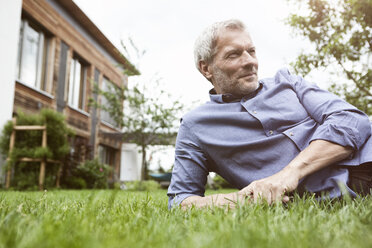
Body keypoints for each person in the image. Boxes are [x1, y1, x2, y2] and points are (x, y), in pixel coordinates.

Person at [167, 19, 372, 209]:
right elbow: (180, 200)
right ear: (206, 68)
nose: (250, 62)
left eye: (251, 51)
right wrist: (240, 200)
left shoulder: (288, 82)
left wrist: (289, 174)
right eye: (234, 54)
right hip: (336, 194)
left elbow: (352, 119)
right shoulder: (195, 126)